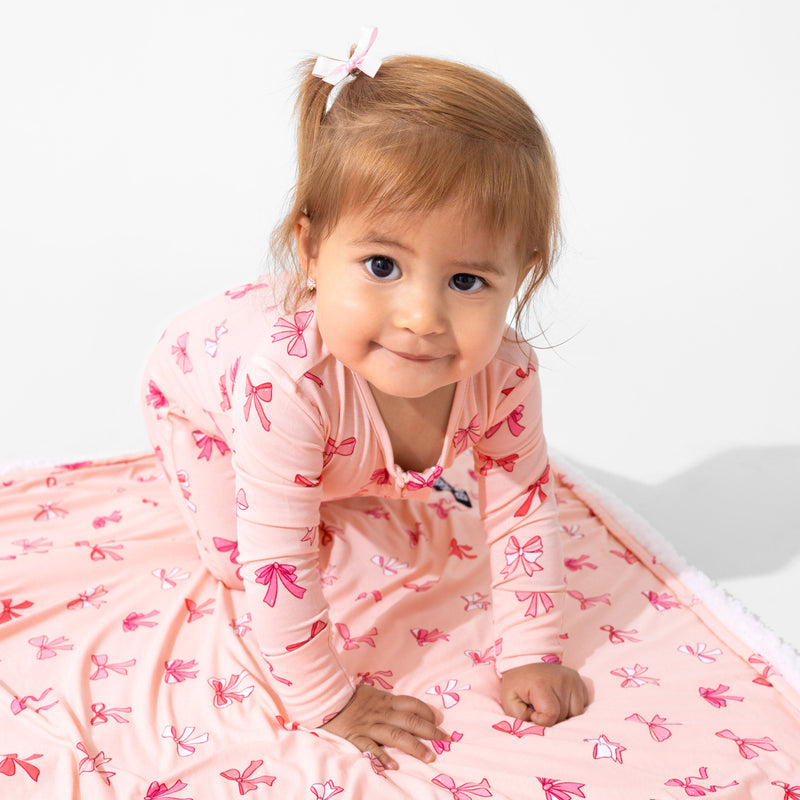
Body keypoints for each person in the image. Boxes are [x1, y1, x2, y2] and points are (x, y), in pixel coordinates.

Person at [141, 28, 588, 771]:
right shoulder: (288, 384)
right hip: (201, 403)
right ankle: (292, 478)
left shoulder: (505, 373)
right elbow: (279, 563)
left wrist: (533, 651)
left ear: (522, 275)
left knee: (354, 503)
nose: (421, 317)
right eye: (382, 265)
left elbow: (522, 504)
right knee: (240, 560)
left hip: (305, 415)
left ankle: (321, 474)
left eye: (467, 281)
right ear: (312, 251)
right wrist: (330, 701)